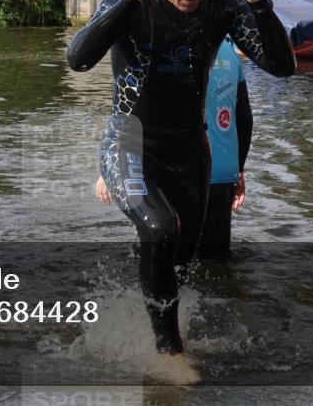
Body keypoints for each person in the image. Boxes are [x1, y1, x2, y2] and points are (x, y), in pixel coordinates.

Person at [67, 0, 294, 357]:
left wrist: (258, 1)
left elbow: (283, 67)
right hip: (128, 141)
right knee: (159, 227)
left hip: (190, 149)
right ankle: (169, 354)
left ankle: (145, 322)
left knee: (178, 262)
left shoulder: (222, 3)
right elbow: (78, 59)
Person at [96, 36, 251, 258]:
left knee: (161, 253)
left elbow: (136, 109)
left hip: (174, 169)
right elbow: (244, 117)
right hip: (223, 172)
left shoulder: (161, 48)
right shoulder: (228, 51)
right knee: (215, 262)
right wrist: (239, 169)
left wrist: (112, 166)